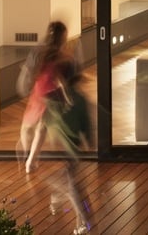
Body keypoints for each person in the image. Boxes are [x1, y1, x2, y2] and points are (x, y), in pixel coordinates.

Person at [21, 20, 93, 234]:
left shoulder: (46, 57)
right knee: (72, 176)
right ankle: (83, 221)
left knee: (70, 174)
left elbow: (35, 79)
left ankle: (69, 207)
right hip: (64, 126)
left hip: (56, 118)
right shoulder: (63, 63)